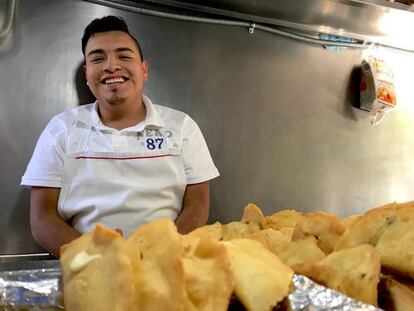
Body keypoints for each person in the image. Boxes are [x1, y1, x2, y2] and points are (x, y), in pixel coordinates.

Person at [21, 16, 219, 257]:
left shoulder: (182, 126)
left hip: (167, 263)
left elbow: (197, 206)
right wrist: (99, 259)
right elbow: (42, 219)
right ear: (87, 73)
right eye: (97, 58)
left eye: (124, 56)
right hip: (86, 269)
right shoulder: (61, 129)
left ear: (143, 69)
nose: (111, 66)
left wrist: (159, 255)